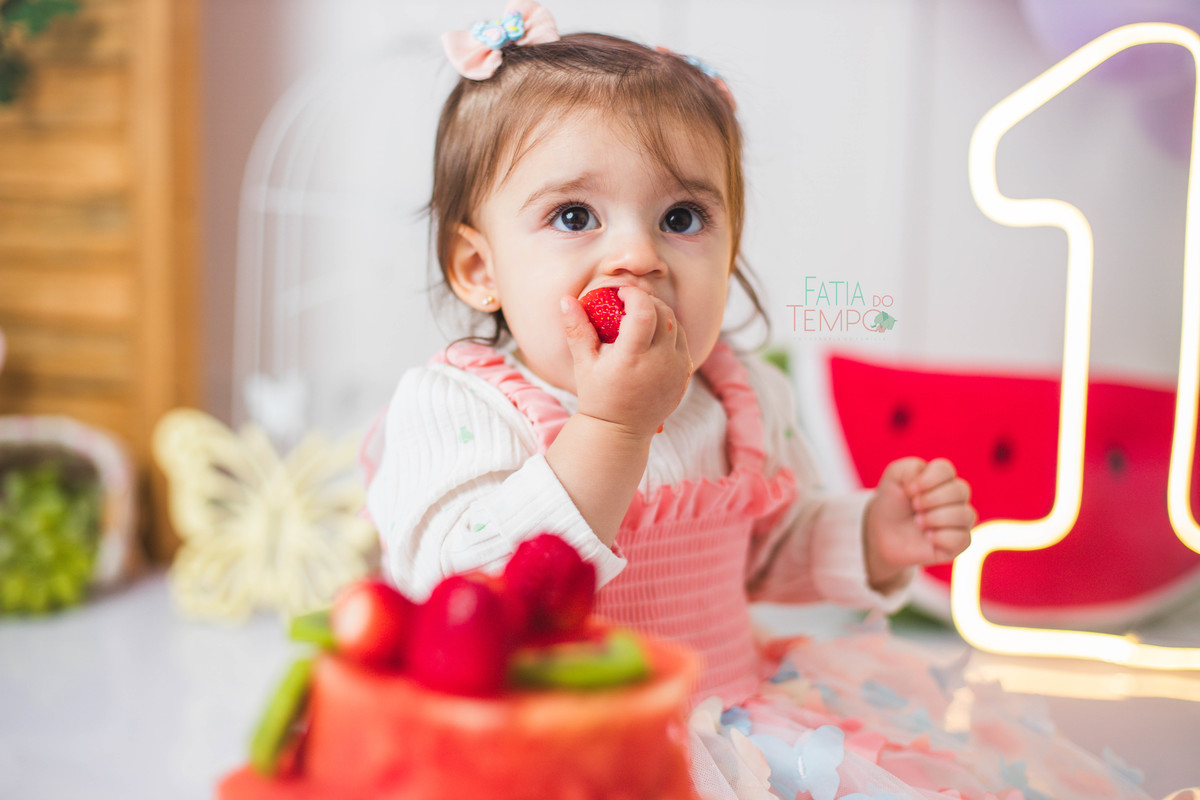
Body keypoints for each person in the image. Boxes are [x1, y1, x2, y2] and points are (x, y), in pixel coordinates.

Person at [362, 3, 1151, 798]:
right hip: (554, 744)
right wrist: (611, 426)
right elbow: (465, 592)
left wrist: (870, 535)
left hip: (728, 721)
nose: (638, 255)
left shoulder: (735, 399)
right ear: (478, 268)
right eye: (574, 216)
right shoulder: (458, 408)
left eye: (682, 218)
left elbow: (766, 551)